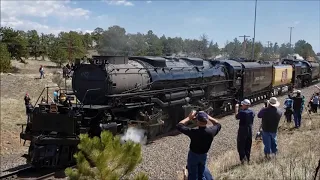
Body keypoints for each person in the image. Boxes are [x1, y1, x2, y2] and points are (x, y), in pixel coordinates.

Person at [176, 111, 221, 180]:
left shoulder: (194, 133)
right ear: (206, 121)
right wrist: (208, 117)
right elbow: (218, 124)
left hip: (193, 156)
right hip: (203, 156)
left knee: (193, 175)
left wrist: (189, 117)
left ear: (197, 121)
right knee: (201, 174)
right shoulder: (211, 131)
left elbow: (179, 126)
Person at [235, 99, 255, 164]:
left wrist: (236, 108)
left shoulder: (242, 112)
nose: (241, 106)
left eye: (242, 105)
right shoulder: (252, 112)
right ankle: (248, 159)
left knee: (241, 145)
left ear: (244, 105)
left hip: (242, 130)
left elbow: (236, 117)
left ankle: (243, 160)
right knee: (248, 145)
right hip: (250, 130)